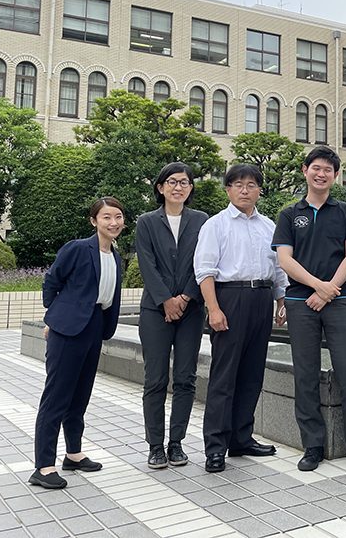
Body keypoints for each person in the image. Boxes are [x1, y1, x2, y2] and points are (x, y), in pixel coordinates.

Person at [273, 146, 346, 472]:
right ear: (305, 170)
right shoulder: (290, 214)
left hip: (339, 301)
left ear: (335, 175)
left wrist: (329, 289)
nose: (321, 174)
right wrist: (319, 287)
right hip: (300, 302)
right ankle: (313, 446)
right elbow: (285, 259)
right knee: (305, 374)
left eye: (328, 170)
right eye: (316, 168)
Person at [193, 164, 288, 473]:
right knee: (224, 377)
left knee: (251, 374)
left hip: (261, 298)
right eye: (238, 184)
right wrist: (214, 309)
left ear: (260, 190)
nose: (245, 190)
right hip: (229, 299)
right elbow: (204, 270)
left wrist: (281, 301)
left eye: (251, 184)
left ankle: (242, 438)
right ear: (228, 190)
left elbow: (278, 269)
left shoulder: (268, 226)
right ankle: (216, 447)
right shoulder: (215, 225)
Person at [29, 197, 126, 489]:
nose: (113, 223)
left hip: (95, 325)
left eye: (118, 217)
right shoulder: (77, 248)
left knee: (80, 395)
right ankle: (43, 467)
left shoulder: (115, 255)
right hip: (68, 329)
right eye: (106, 217)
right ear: (94, 221)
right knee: (56, 397)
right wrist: (53, 317)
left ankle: (73, 454)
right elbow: (52, 281)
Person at [135, 162, 209, 469]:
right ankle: (155, 445)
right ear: (160, 187)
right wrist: (166, 299)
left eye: (184, 182)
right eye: (172, 182)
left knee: (185, 379)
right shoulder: (147, 222)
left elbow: (205, 261)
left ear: (191, 188)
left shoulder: (202, 221)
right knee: (155, 379)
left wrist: (187, 296)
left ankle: (176, 443)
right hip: (155, 310)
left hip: (192, 310)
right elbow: (146, 264)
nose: (178, 187)